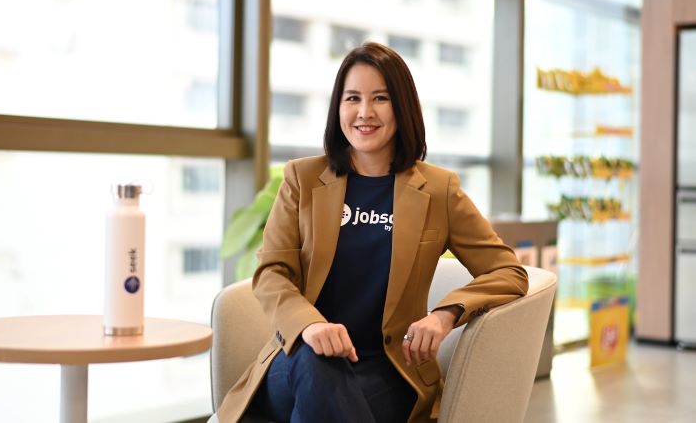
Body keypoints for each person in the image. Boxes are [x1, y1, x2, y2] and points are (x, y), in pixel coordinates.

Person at [216, 42, 528, 422]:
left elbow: (508, 271)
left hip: (388, 370)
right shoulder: (303, 179)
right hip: (299, 358)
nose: (364, 112)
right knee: (318, 364)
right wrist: (310, 325)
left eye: (380, 98)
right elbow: (271, 273)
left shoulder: (438, 190)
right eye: (352, 98)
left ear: (402, 107)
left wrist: (446, 313)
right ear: (338, 108)